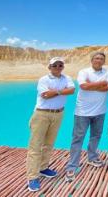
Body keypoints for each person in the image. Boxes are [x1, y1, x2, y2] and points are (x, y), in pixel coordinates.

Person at [26, 57, 75, 192]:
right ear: (49, 67)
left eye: (60, 65)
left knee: (49, 143)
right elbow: (45, 95)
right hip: (42, 114)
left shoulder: (67, 78)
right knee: (35, 146)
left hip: (58, 114)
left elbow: (71, 90)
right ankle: (32, 176)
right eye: (55, 65)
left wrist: (54, 91)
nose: (58, 67)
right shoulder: (44, 79)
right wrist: (60, 91)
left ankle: (43, 168)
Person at [65, 52, 108, 182]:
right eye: (96, 58)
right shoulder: (84, 71)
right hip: (82, 112)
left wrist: (92, 85)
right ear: (91, 60)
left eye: (101, 59)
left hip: (100, 111)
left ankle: (92, 157)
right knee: (77, 138)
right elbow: (83, 86)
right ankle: (72, 166)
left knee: (96, 136)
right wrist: (100, 84)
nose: (99, 60)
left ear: (104, 61)